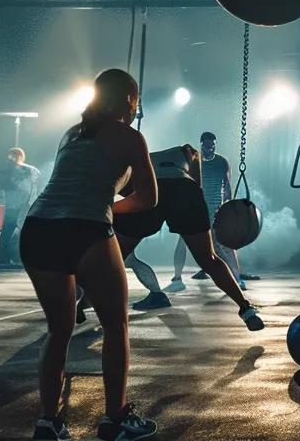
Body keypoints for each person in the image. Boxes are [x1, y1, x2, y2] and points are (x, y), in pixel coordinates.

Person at [17, 69, 159, 441]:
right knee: (116, 326)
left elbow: (77, 177)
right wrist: (113, 208)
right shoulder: (131, 137)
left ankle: (49, 422)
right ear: (130, 100)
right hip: (86, 227)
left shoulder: (72, 133)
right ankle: (116, 418)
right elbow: (149, 198)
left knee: (59, 329)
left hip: (38, 228)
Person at [117, 143, 264, 326]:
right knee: (209, 259)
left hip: (152, 188)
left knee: (115, 260)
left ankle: (84, 304)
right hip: (184, 189)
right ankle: (246, 309)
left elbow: (124, 192)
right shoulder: (184, 151)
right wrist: (196, 205)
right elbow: (195, 172)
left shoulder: (124, 161)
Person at [173, 132, 257, 289]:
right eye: (206, 146)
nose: (209, 149)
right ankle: (177, 278)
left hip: (216, 210)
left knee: (225, 245)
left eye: (212, 146)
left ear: (215, 145)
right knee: (183, 240)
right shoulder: (194, 162)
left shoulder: (222, 162)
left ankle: (237, 279)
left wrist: (228, 208)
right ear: (201, 145)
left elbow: (227, 187)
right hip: (196, 209)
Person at [0, 147, 42, 266]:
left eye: (13, 156)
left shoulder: (24, 170)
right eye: (11, 156)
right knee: (13, 230)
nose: (11, 159)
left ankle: (7, 257)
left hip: (21, 204)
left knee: (12, 230)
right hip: (21, 204)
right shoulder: (29, 170)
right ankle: (8, 256)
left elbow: (25, 188)